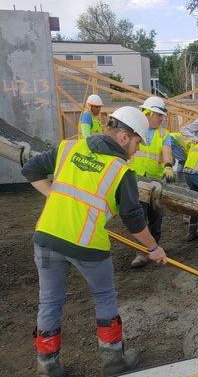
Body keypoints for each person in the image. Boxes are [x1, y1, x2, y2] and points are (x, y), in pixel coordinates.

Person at [21, 106, 167, 377]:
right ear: (124, 136)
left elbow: (31, 169)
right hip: (87, 244)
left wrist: (53, 196)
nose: (136, 149)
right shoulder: (121, 171)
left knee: (50, 300)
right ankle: (113, 358)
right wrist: (154, 248)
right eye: (136, 142)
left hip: (46, 236)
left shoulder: (69, 148)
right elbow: (134, 220)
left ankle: (47, 363)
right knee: (104, 295)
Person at [128, 96, 175, 268]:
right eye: (158, 115)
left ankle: (154, 248)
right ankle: (141, 252)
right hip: (135, 179)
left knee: (156, 216)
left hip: (155, 181)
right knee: (140, 217)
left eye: (162, 115)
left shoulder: (164, 134)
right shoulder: (133, 129)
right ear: (147, 113)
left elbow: (167, 150)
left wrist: (168, 165)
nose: (161, 118)